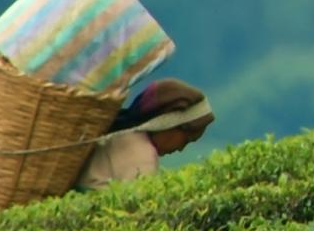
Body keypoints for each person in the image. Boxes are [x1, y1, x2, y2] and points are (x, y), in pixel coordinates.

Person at [75, 78, 215, 191]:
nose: (180, 149)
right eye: (185, 140)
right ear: (169, 125)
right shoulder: (142, 155)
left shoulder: (120, 137)